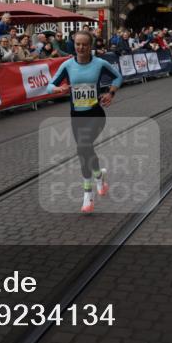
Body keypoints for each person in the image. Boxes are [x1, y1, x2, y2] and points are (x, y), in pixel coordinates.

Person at [46, 30, 123, 214]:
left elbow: (118, 77)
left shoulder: (100, 63)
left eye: (85, 44)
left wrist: (110, 93)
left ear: (91, 46)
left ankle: (87, 195)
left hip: (96, 114)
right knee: (86, 150)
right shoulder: (67, 65)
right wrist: (58, 89)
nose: (80, 47)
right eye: (77, 44)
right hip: (76, 116)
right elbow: (49, 86)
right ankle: (99, 176)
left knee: (83, 147)